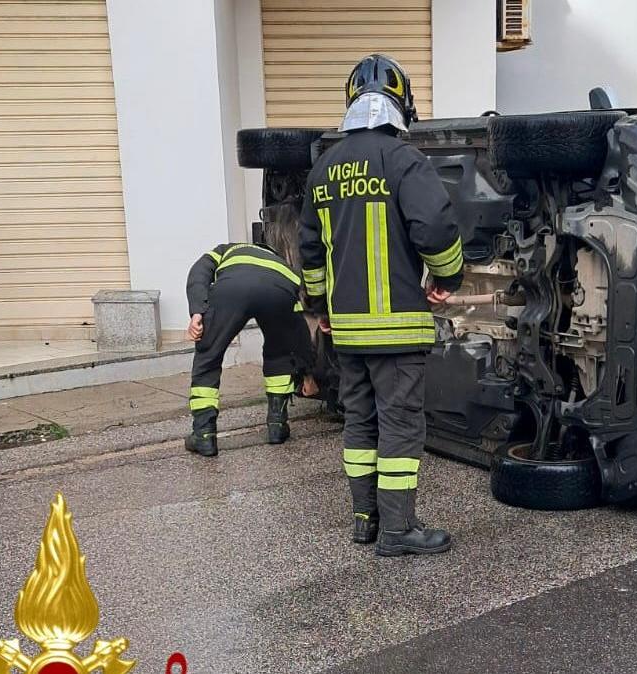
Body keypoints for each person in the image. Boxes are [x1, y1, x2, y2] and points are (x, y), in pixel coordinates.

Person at [299, 53, 464, 556]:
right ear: (401, 104)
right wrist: (447, 275)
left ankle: (364, 519)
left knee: (360, 421)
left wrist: (321, 305)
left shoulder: (324, 169)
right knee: (400, 424)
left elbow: (311, 251)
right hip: (397, 331)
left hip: (347, 332)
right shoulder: (404, 160)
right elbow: (434, 227)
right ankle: (398, 530)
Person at [185, 241, 316, 456]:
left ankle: (204, 435)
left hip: (231, 289)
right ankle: (277, 426)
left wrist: (197, 311)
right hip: (278, 293)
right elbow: (298, 331)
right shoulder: (283, 266)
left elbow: (198, 273)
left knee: (208, 357)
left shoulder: (225, 250)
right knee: (281, 353)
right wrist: (308, 373)